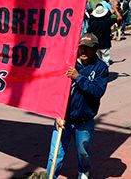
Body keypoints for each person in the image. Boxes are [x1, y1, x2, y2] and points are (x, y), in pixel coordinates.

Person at [45, 33, 108, 179]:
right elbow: (55, 90)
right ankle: (51, 176)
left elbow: (98, 91)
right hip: (63, 119)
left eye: (88, 48)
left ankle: (83, 171)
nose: (84, 51)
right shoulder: (68, 63)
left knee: (83, 153)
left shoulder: (101, 68)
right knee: (55, 154)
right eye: (81, 48)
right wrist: (58, 114)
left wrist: (78, 77)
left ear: (95, 49)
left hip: (84, 121)